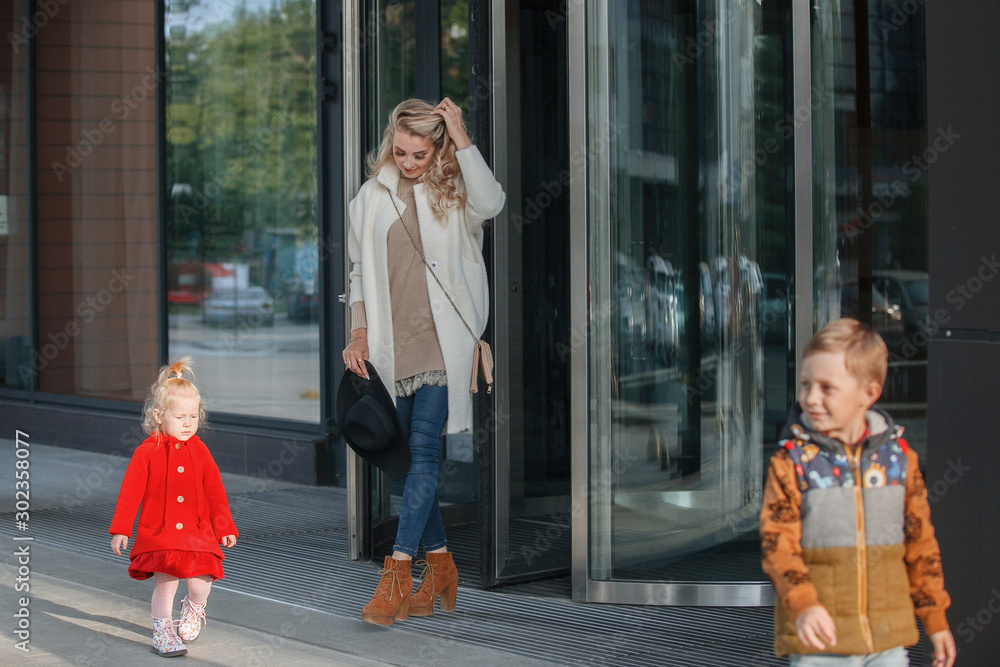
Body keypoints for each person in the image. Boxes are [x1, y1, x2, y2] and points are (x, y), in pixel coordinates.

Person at [343, 97, 505, 625]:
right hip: (393, 347)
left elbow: (494, 202)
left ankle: (396, 574)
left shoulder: (453, 191)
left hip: (443, 342)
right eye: (402, 151)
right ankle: (441, 567)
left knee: (424, 457)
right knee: (409, 465)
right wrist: (359, 333)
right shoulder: (370, 197)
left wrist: (461, 135)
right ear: (392, 140)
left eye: (420, 153)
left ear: (436, 150)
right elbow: (358, 273)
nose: (409, 162)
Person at [760, 318, 956, 667]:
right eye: (806, 385)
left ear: (869, 393)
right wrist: (803, 603)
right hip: (819, 643)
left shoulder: (900, 461)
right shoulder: (791, 462)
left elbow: (921, 543)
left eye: (826, 388)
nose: (810, 398)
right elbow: (778, 546)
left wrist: (935, 620)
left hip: (888, 639)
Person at [109, 357, 238, 657]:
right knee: (166, 583)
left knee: (200, 582)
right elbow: (130, 493)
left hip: (197, 532)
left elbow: (215, 492)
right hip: (160, 531)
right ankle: (163, 631)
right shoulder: (147, 453)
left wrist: (224, 527)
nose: (187, 424)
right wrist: (121, 529)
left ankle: (195, 607)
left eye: (193, 417)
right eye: (180, 417)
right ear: (158, 416)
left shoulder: (200, 451)